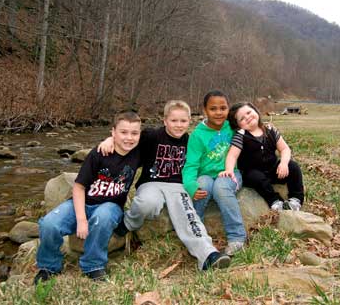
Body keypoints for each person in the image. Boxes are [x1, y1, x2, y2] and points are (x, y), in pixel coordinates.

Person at [98, 100, 231, 271]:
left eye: (183, 121)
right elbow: (129, 137)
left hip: (177, 186)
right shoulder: (151, 136)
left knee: (188, 215)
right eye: (174, 121)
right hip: (151, 183)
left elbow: (203, 160)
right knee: (148, 204)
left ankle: (207, 255)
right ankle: (128, 224)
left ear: (189, 121)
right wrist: (111, 139)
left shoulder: (190, 141)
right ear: (165, 120)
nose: (178, 125)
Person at [34, 112, 142, 284]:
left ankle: (93, 265)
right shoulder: (98, 154)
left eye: (134, 133)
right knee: (49, 224)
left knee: (103, 217)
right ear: (113, 132)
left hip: (110, 205)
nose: (129, 138)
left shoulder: (138, 152)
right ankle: (48, 266)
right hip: (83, 203)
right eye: (123, 132)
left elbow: (161, 132)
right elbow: (78, 187)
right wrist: (81, 219)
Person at [182, 90, 246, 256]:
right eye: (213, 109)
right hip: (205, 175)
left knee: (221, 188)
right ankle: (198, 237)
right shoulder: (197, 135)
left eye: (223, 108)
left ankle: (237, 237)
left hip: (231, 174)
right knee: (202, 185)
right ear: (205, 110)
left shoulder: (232, 126)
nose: (218, 112)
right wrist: (191, 186)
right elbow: (190, 165)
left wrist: (266, 127)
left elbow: (252, 126)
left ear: (228, 109)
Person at [219, 102, 304, 211]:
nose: (248, 117)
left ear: (255, 111)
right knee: (256, 177)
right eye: (242, 118)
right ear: (238, 125)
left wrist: (283, 163)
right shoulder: (241, 136)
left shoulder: (270, 130)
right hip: (252, 173)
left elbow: (285, 149)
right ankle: (275, 201)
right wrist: (229, 169)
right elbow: (232, 155)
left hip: (273, 170)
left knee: (294, 166)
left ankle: (296, 199)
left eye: (249, 112)